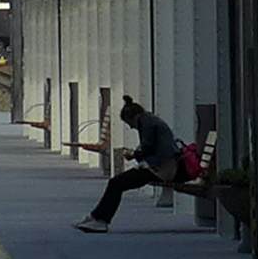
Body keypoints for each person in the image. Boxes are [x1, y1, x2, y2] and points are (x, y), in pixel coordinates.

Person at [76, 97, 184, 231]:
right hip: (160, 166)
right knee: (116, 183)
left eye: (129, 123)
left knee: (116, 183)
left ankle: (101, 220)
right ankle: (96, 216)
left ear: (133, 117)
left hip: (161, 169)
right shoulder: (149, 120)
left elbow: (147, 148)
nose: (131, 127)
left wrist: (132, 154)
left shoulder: (147, 123)